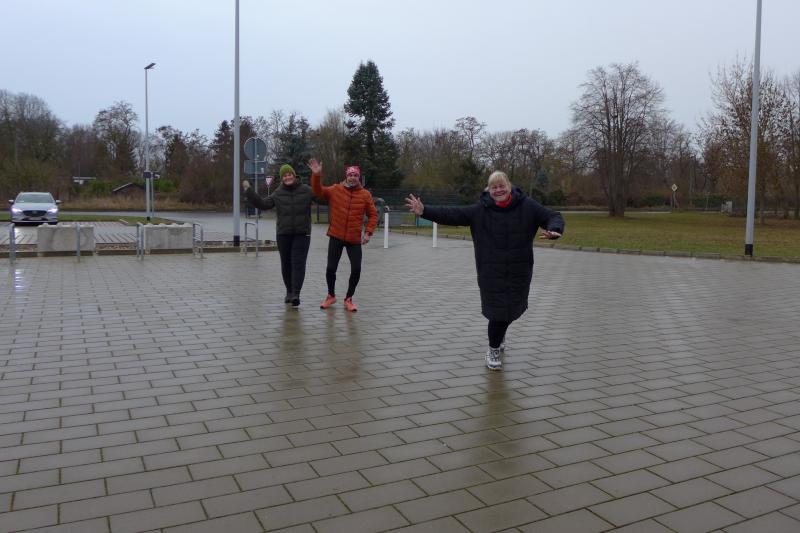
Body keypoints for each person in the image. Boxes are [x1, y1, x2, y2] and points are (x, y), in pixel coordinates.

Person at [405, 171, 564, 371]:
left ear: (509, 186)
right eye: (494, 187)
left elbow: (552, 216)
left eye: (502, 186)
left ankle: (500, 334)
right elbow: (453, 214)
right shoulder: (481, 209)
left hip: (519, 270)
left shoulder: (527, 206)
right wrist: (424, 211)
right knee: (498, 313)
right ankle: (493, 349)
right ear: (489, 190)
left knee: (512, 310)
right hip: (491, 271)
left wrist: (555, 229)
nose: (499, 190)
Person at [242, 164, 317, 307]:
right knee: (286, 264)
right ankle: (289, 291)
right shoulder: (278, 193)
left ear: (294, 175)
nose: (287, 177)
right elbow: (264, 204)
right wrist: (249, 192)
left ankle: (296, 294)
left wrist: (319, 178)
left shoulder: (306, 190)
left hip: (302, 234)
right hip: (283, 234)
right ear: (282, 178)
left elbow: (322, 197)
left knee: (298, 264)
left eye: (290, 174)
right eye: (285, 175)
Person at [309, 158, 378, 312]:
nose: (352, 177)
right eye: (350, 175)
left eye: (355, 175)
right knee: (330, 268)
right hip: (336, 235)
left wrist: (368, 232)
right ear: (346, 176)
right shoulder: (335, 189)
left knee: (356, 269)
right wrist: (316, 175)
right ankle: (331, 296)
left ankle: (349, 298)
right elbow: (318, 191)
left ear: (359, 177)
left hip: (354, 238)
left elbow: (373, 214)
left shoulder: (365, 194)